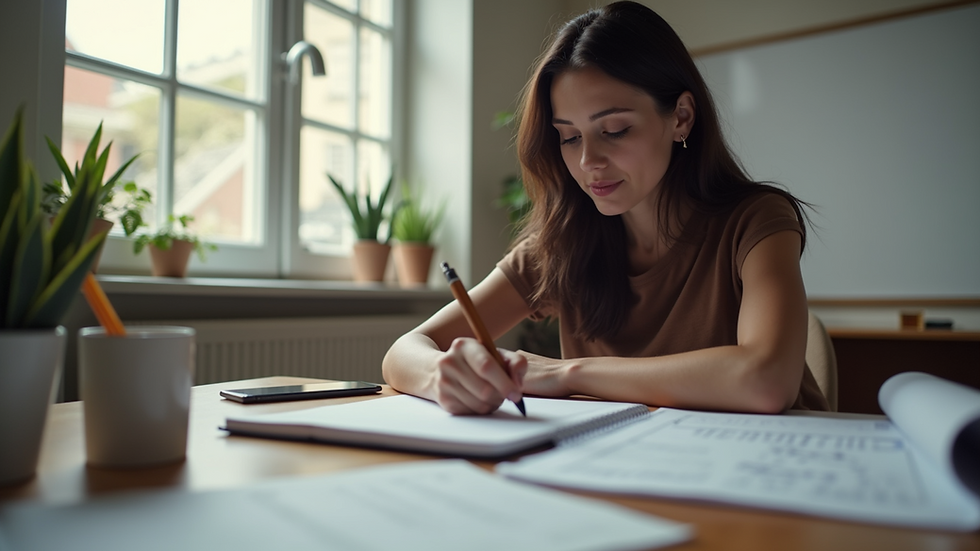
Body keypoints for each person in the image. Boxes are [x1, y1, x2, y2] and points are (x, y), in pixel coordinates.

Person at [382, 1, 830, 415]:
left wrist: (565, 373)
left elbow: (766, 381)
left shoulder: (757, 221)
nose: (587, 162)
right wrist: (444, 376)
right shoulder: (562, 243)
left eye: (614, 130)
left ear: (681, 118)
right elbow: (405, 350)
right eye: (569, 136)